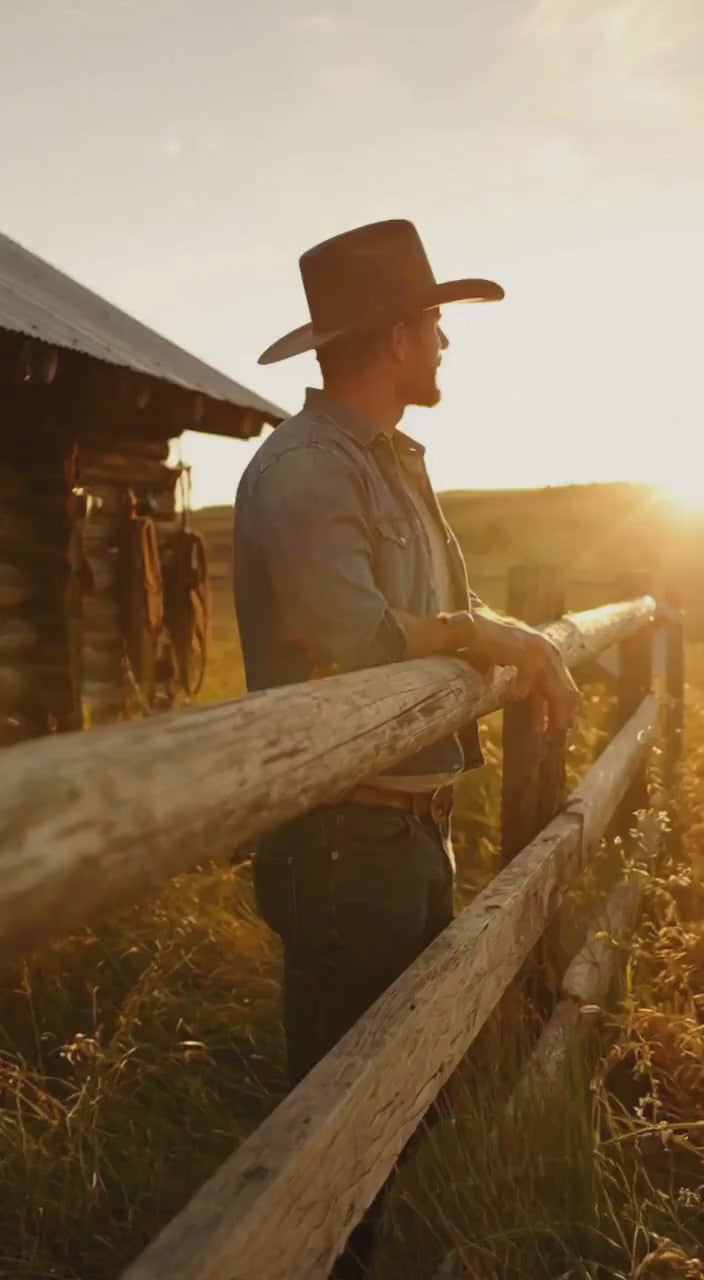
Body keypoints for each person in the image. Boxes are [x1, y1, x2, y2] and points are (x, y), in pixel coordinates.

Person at [233, 219, 579, 1277]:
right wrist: (497, 638)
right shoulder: (305, 471)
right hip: (344, 844)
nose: (442, 342)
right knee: (338, 1136)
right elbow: (361, 636)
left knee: (394, 1105)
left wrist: (492, 634)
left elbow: (439, 606)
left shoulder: (387, 462)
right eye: (431, 322)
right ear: (390, 336)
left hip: (400, 828)